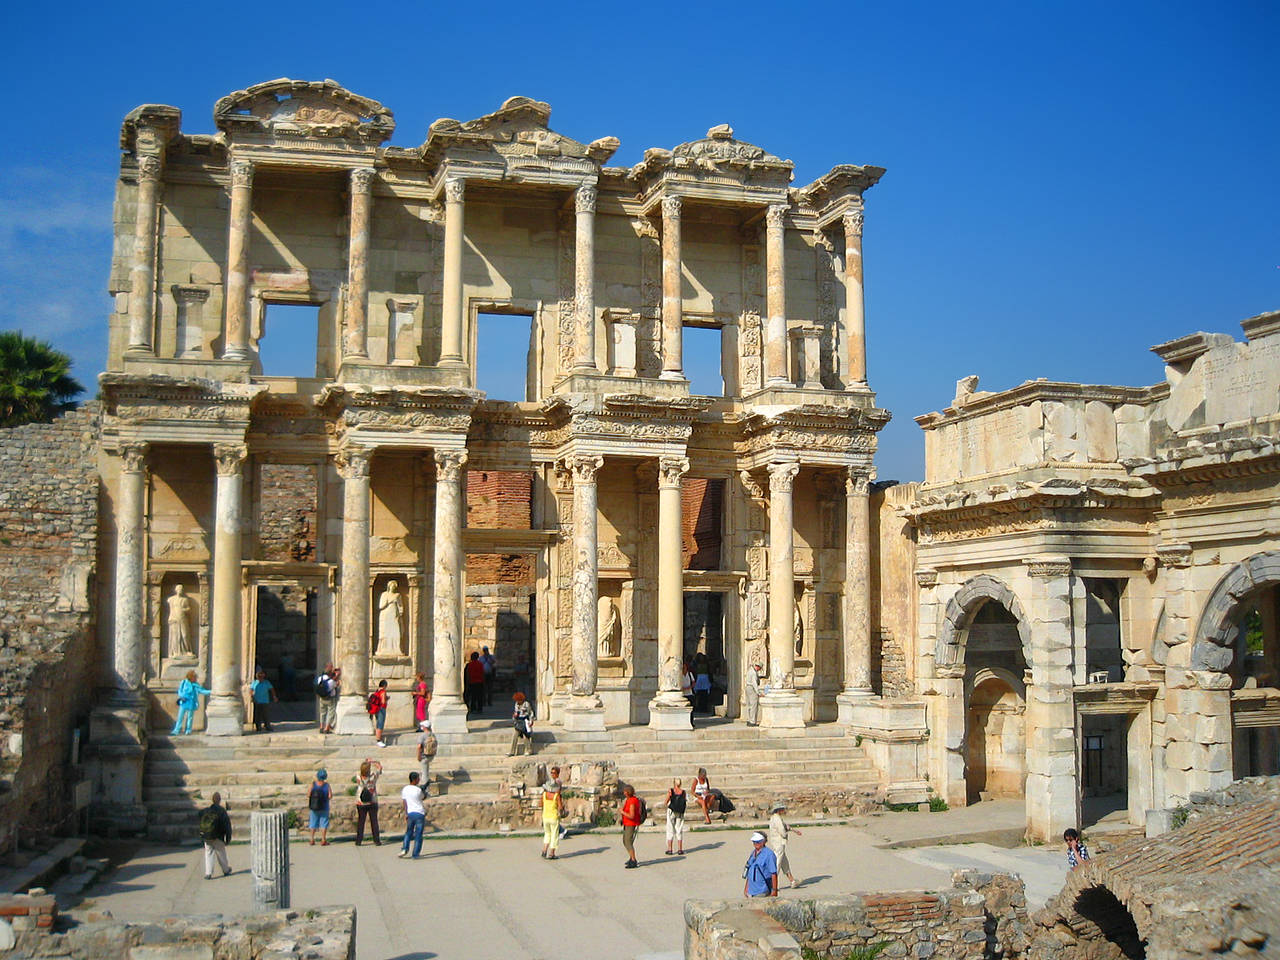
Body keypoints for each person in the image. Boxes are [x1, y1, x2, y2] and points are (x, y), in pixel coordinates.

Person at [198, 791, 232, 879]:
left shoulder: (207, 810)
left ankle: (208, 873)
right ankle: (226, 870)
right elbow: (227, 826)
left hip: (207, 836)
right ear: (219, 800)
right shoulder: (222, 811)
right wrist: (227, 839)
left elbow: (199, 815)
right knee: (221, 854)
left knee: (208, 853)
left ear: (212, 800)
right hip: (218, 836)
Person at [768, 801, 803, 887]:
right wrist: (787, 834)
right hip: (779, 843)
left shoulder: (775, 818)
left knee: (784, 863)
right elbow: (782, 831)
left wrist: (794, 830)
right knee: (777, 864)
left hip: (776, 843)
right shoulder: (777, 819)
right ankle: (771, 884)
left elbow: (785, 826)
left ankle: (792, 880)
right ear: (779, 810)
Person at [172, 670, 211, 736]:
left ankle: (188, 730)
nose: (195, 678)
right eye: (194, 677)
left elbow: (202, 691)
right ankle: (176, 730)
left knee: (190, 717)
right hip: (184, 702)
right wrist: (181, 696)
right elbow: (180, 690)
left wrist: (211, 691)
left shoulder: (196, 685)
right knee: (180, 716)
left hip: (191, 702)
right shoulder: (184, 682)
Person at [355, 759, 382, 846]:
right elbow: (379, 768)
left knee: (361, 821)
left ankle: (358, 840)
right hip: (372, 800)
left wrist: (366, 763)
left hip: (360, 801)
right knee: (374, 821)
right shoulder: (373, 777)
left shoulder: (358, 776)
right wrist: (373, 762)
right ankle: (376, 840)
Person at [742, 831, 778, 897]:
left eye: (758, 841)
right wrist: (746, 889)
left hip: (762, 891)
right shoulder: (753, 853)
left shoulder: (769, 854)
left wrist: (774, 891)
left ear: (764, 842)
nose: (755, 843)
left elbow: (774, 874)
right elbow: (750, 871)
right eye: (754, 841)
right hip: (751, 892)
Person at [399, 771, 426, 859]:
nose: (419, 780)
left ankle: (404, 848)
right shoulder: (418, 790)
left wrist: (406, 813)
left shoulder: (405, 789)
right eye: (418, 778)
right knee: (418, 834)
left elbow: (405, 802)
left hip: (410, 813)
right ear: (415, 780)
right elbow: (423, 797)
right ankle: (415, 854)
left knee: (409, 832)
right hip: (419, 813)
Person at [541, 766, 565, 860]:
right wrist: (561, 811)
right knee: (554, 835)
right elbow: (560, 806)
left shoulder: (544, 794)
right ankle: (551, 853)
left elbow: (540, 804)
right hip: (553, 816)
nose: (552, 774)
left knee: (547, 834)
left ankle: (544, 850)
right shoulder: (556, 795)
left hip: (545, 816)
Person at [166, 584, 196, 657]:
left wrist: (184, 609)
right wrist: (170, 618)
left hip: (182, 618)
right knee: (175, 636)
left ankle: (187, 650)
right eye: (179, 589)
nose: (180, 590)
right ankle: (175, 652)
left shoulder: (185, 599)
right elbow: (171, 609)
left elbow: (188, 608)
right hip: (174, 618)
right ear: (176, 590)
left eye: (181, 589)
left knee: (185, 635)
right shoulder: (171, 599)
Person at [376, 581, 404, 656]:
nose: (393, 587)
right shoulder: (384, 594)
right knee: (386, 632)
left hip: (394, 615)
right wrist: (390, 601)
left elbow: (400, 606)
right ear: (389, 586)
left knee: (395, 631)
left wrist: (400, 613)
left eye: (395, 586)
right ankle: (384, 649)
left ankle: (396, 649)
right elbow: (381, 606)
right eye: (392, 586)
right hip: (386, 615)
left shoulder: (398, 595)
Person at [307, 769, 332, 846]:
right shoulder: (327, 785)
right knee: (324, 823)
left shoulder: (313, 784)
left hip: (314, 807)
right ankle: (323, 839)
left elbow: (308, 794)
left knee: (313, 823)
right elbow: (330, 796)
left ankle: (312, 839)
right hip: (324, 807)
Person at [620, 784, 642, 869]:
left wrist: (622, 812)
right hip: (627, 823)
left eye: (625, 791)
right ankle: (631, 857)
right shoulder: (630, 800)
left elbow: (631, 815)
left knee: (628, 842)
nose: (623, 792)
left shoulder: (632, 801)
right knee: (625, 841)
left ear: (627, 792)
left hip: (631, 823)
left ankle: (633, 860)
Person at [250, 668, 277, 732]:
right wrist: (252, 697)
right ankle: (258, 727)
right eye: (259, 674)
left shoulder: (266, 682)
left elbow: (272, 689)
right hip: (257, 701)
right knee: (257, 715)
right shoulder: (254, 682)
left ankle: (267, 726)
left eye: (262, 674)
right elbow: (251, 690)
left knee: (266, 715)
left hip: (265, 701)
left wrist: (274, 696)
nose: (260, 675)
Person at [665, 778, 687, 856]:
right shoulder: (683, 792)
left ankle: (670, 849)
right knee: (679, 829)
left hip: (671, 811)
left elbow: (666, 801)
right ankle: (680, 849)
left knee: (670, 829)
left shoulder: (671, 791)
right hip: (680, 812)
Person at [317, 664, 340, 734]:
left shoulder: (320, 679)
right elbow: (336, 684)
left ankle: (321, 726)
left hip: (321, 698)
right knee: (330, 713)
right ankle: (326, 728)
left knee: (322, 713)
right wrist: (337, 676)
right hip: (330, 699)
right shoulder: (331, 681)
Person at [510, 692, 535, 756]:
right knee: (514, 736)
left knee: (525, 736)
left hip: (525, 722)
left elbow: (530, 713)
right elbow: (515, 713)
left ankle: (529, 750)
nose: (518, 701)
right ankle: (512, 751)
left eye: (519, 700)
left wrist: (531, 721)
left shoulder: (526, 704)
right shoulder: (516, 704)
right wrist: (514, 717)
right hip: (519, 722)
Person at [368, 679, 389, 747]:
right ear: (384, 685)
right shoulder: (383, 691)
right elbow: (383, 701)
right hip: (381, 709)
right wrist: (386, 699)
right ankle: (379, 740)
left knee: (378, 723)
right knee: (380, 724)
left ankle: (378, 738)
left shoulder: (377, 691)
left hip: (376, 709)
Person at [417, 719, 437, 789]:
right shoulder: (432, 734)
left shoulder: (422, 736)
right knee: (427, 768)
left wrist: (418, 756)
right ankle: (427, 780)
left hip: (424, 756)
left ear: (424, 727)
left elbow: (419, 747)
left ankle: (425, 788)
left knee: (424, 772)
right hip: (431, 755)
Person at [743, 661, 762, 726]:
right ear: (758, 667)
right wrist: (758, 692)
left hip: (747, 687)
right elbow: (754, 683)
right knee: (754, 705)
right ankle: (753, 721)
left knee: (749, 705)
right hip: (752, 688)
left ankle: (749, 719)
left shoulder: (749, 671)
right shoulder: (753, 673)